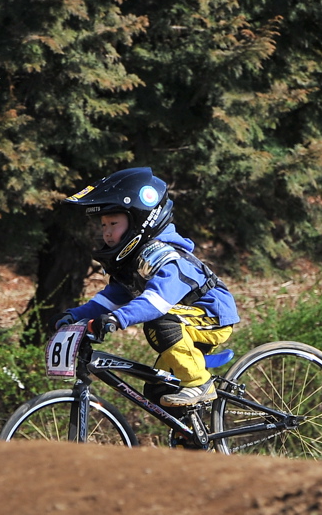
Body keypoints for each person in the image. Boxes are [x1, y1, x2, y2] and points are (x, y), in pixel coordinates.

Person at [54, 167, 239, 407]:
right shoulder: (134, 263)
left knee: (160, 321)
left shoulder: (168, 258)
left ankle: (199, 383)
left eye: (113, 223)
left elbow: (156, 302)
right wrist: (73, 316)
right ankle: (191, 441)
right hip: (183, 321)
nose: (107, 233)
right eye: (103, 225)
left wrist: (115, 319)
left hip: (211, 317)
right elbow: (108, 300)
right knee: (158, 392)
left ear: (139, 221)